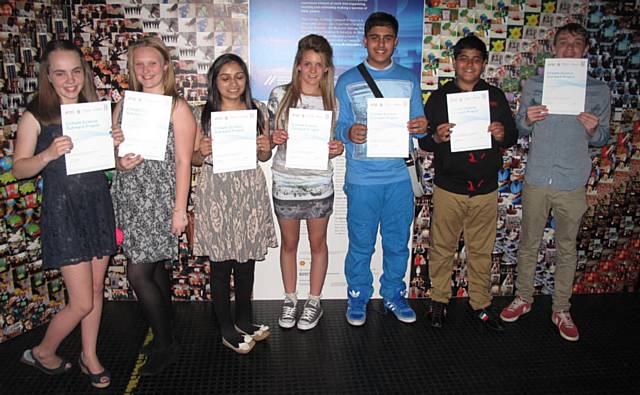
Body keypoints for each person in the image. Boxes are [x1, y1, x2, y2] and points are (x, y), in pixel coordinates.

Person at [14, 40, 121, 388]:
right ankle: (43, 351)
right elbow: (19, 170)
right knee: (80, 302)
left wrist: (117, 148)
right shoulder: (37, 115)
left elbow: (108, 165)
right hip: (64, 212)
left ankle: (89, 356)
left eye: (76, 71)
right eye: (60, 73)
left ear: (85, 73)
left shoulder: (94, 110)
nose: (70, 79)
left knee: (95, 290)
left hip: (97, 206)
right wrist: (46, 155)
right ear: (48, 76)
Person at [500, 23, 610, 341]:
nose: (570, 49)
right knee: (528, 243)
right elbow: (520, 129)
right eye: (564, 43)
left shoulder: (598, 90)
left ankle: (561, 308)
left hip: (572, 180)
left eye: (577, 44)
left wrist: (593, 130)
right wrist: (526, 120)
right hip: (537, 177)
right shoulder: (535, 84)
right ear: (554, 48)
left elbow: (604, 137)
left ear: (585, 50)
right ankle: (523, 298)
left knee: (566, 248)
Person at [419, 35, 517, 331]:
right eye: (464, 59)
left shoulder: (495, 96)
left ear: (484, 63)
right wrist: (436, 137)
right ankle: (439, 301)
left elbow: (511, 136)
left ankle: (481, 303)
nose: (470, 65)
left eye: (476, 59)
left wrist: (501, 135)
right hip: (449, 187)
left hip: (486, 188)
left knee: (481, 250)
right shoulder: (438, 98)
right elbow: (424, 141)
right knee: (442, 247)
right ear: (454, 62)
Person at [335, 12, 428, 326]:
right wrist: (348, 132)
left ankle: (393, 294)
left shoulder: (408, 79)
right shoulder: (347, 80)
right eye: (375, 37)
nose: (381, 43)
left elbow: (421, 129)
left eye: (387, 38)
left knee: (397, 243)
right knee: (361, 243)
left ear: (396, 42)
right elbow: (337, 127)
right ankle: (358, 296)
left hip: (400, 178)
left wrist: (421, 126)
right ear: (365, 40)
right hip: (362, 178)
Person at [111, 36, 195, 374]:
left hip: (160, 199)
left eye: (152, 63)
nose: (145, 70)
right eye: (139, 64)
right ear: (132, 69)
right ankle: (167, 330)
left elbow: (184, 163)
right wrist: (119, 160)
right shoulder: (125, 104)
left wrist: (179, 210)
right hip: (131, 194)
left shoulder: (177, 107)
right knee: (155, 268)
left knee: (138, 271)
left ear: (165, 66)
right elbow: (116, 156)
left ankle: (165, 345)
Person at [191, 53, 277, 354]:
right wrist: (201, 151)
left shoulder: (259, 110)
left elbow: (264, 157)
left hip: (248, 189)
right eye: (225, 77)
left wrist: (266, 148)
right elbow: (193, 159)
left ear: (246, 80)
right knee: (219, 264)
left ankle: (245, 320)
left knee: (246, 261)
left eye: (239, 76)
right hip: (216, 189)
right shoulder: (202, 113)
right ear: (215, 80)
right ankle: (225, 327)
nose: (232, 83)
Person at [267, 34, 344, 331]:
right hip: (285, 181)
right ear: (298, 65)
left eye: (319, 65)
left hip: (319, 184)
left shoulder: (332, 101)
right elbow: (267, 140)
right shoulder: (280, 95)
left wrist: (337, 148)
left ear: (327, 69)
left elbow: (335, 142)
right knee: (289, 244)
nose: (313, 70)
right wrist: (273, 138)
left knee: (317, 244)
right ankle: (290, 299)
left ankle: (314, 301)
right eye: (307, 63)